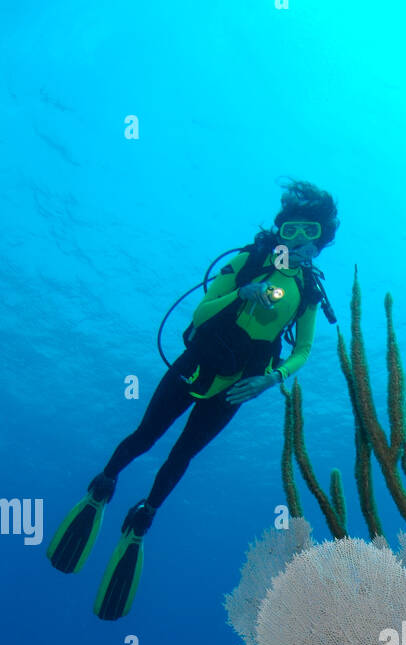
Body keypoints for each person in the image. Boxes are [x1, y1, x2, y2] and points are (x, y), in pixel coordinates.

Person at [47, 178, 338, 620]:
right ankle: (103, 485)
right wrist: (241, 293)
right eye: (292, 229)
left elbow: (303, 350)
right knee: (146, 437)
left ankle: (144, 517)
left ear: (322, 239)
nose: (299, 240)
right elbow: (200, 312)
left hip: (238, 386)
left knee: (182, 455)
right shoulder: (249, 261)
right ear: (280, 230)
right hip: (195, 366)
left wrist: (271, 380)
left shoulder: (310, 292)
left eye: (310, 232)